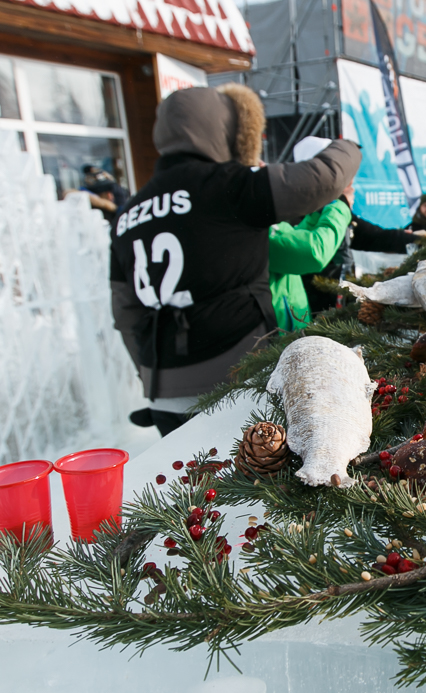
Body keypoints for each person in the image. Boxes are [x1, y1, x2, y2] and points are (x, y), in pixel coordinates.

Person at [109, 86, 361, 436]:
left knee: (189, 488)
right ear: (227, 130)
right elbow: (325, 177)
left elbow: (125, 314)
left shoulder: (128, 214)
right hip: (237, 378)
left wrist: (150, 375)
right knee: (258, 486)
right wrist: (349, 146)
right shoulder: (230, 187)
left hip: (163, 392)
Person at [267, 138, 358, 332]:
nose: (262, 167)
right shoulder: (256, 227)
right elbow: (312, 251)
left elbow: (296, 236)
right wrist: (340, 205)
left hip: (292, 326)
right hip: (274, 337)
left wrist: (319, 211)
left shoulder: (267, 220)